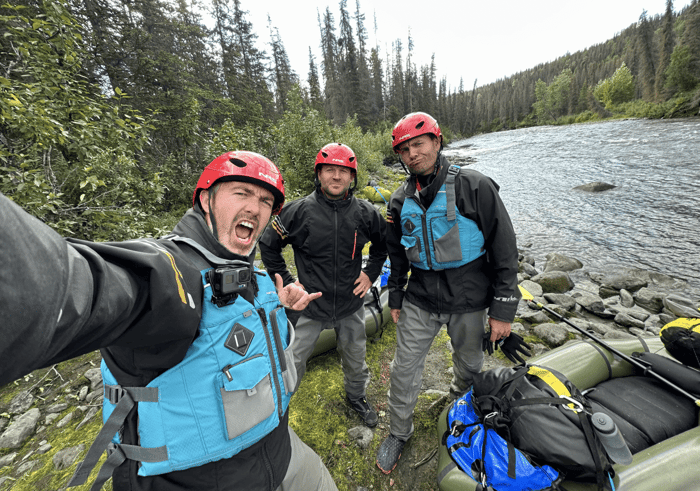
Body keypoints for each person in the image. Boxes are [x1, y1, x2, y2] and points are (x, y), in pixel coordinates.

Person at [0, 151, 338, 491]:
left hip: (279, 451)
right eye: (242, 193)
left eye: (266, 201)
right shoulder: (169, 274)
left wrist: (282, 307)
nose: (255, 208)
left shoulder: (251, 276)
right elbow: (80, 285)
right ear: (206, 200)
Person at [375, 112, 522, 474]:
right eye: (404, 149)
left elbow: (504, 247)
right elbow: (397, 254)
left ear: (437, 142)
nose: (412, 154)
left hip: (470, 295)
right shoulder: (398, 200)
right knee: (403, 368)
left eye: (418, 144)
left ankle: (461, 403)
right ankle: (398, 432)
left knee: (470, 364)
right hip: (421, 296)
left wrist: (502, 310)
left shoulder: (474, 185)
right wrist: (395, 295)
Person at [260, 143, 387, 428]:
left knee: (356, 357)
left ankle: (356, 396)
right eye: (330, 170)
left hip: (349, 304)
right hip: (308, 306)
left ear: (352, 177)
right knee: (292, 361)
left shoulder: (366, 213)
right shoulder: (297, 211)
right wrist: (289, 282)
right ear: (319, 174)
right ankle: (278, 412)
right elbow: (268, 246)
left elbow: (383, 244)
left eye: (343, 171)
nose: (337, 176)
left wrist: (371, 273)